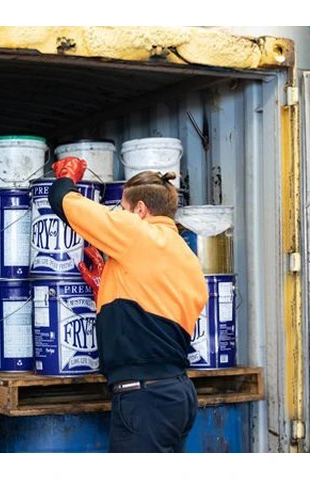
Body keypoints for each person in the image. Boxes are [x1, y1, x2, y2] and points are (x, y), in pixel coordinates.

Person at [48, 156, 209, 453]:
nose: (119, 215)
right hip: (177, 395)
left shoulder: (137, 233)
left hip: (145, 400)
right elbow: (156, 307)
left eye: (122, 209)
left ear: (140, 209)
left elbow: (65, 202)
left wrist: (66, 179)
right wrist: (109, 289)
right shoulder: (185, 256)